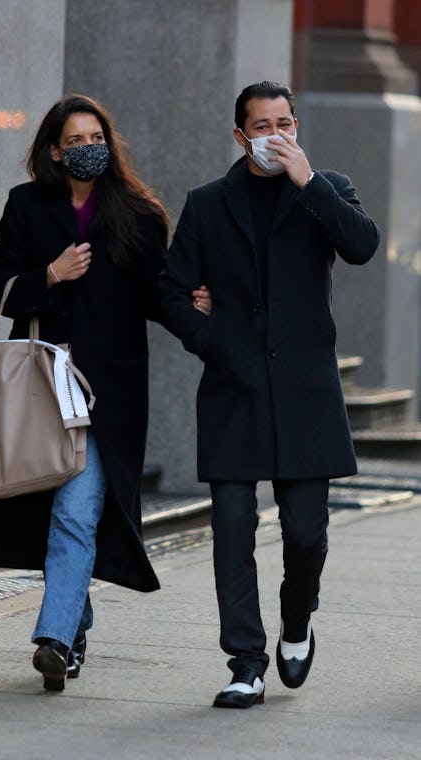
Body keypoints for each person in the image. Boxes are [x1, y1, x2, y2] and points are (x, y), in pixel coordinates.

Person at [0, 93, 210, 691]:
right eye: (73, 141)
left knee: (77, 512)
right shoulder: (26, 207)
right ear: (54, 150)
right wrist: (50, 275)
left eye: (94, 137)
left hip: (106, 395)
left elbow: (156, 295)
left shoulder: (138, 214)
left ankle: (52, 637)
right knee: (52, 509)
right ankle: (74, 623)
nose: (85, 149)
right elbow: (1, 288)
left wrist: (197, 312)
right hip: (38, 386)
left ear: (109, 142)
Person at [158, 81, 380, 708]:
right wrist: (212, 338)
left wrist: (309, 184)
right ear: (240, 136)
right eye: (262, 126)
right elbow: (170, 291)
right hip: (235, 388)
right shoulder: (207, 204)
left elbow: (362, 246)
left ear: (297, 128)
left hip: (307, 393)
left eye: (285, 124)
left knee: (305, 532)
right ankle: (245, 662)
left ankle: (297, 622)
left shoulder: (326, 189)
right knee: (232, 526)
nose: (274, 136)